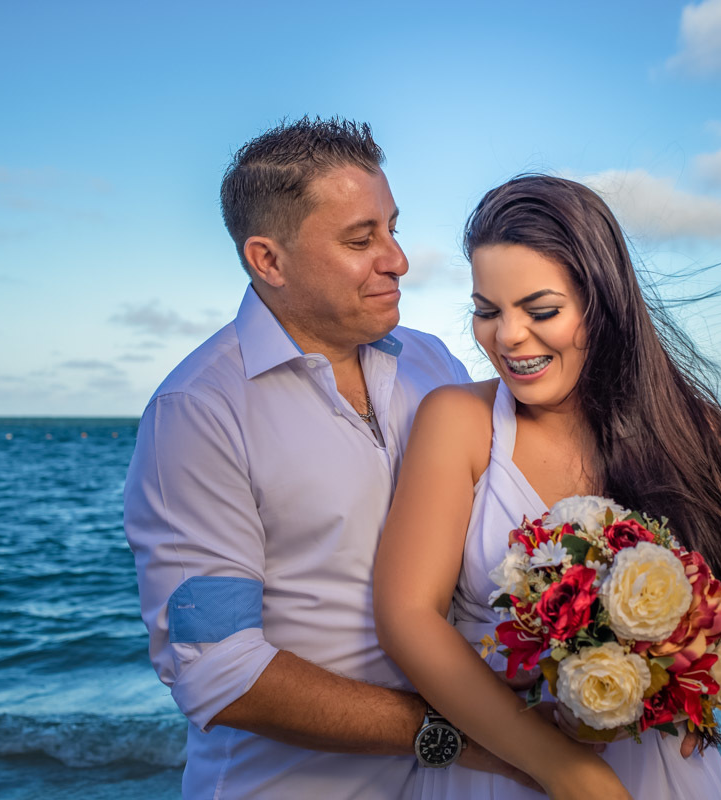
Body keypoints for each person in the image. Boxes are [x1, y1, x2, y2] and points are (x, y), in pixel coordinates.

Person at [124, 118, 533, 798]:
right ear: (269, 260)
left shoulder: (433, 361)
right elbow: (220, 670)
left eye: (393, 229)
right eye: (360, 239)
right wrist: (462, 732)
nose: (398, 259)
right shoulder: (197, 412)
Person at [375, 175, 721, 798]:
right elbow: (406, 618)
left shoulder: (693, 433)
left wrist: (695, 682)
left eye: (541, 310)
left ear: (602, 303)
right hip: (503, 772)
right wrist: (569, 772)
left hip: (664, 776)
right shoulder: (458, 420)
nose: (508, 337)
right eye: (486, 311)